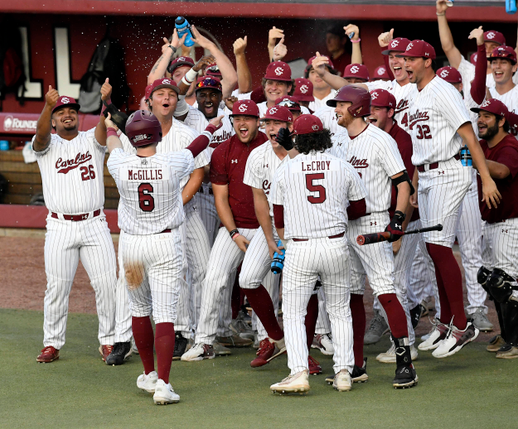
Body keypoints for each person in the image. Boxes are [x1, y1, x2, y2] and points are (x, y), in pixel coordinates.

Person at [106, 109, 222, 405]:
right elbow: (197, 146)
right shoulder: (172, 161)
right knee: (166, 316)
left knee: (139, 310)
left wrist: (110, 127)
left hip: (132, 245)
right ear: (158, 134)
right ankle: (164, 384)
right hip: (165, 243)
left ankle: (149, 373)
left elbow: (113, 144)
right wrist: (210, 126)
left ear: (132, 138)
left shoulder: (119, 163)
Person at [400, 39, 500, 358]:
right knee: (433, 249)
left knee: (440, 248)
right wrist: (415, 182)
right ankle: (445, 321)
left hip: (449, 170)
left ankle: (461, 325)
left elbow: (469, 135)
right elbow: (421, 146)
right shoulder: (418, 94)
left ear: (427, 60)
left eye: (411, 59)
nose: (405, 64)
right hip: (428, 173)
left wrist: (484, 178)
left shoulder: (442, 88)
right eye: (403, 58)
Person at [269, 114, 367, 393]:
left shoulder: (286, 169)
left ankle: (299, 372)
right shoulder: (341, 165)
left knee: (294, 312)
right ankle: (344, 372)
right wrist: (332, 212)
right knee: (339, 311)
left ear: (297, 139)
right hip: (335, 243)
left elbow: (278, 218)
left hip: (301, 246)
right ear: (324, 137)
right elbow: (359, 209)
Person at [327, 85, 418, 388]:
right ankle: (355, 363)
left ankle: (405, 361)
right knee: (352, 293)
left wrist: (397, 221)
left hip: (375, 221)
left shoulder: (381, 140)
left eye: (340, 105)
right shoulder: (338, 139)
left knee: (385, 291)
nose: (336, 110)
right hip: (345, 225)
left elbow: (404, 185)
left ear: (354, 107)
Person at [33, 84, 119, 364]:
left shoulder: (89, 140)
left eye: (72, 111)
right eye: (61, 112)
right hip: (59, 226)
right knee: (57, 287)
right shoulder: (47, 146)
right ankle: (52, 344)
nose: (67, 115)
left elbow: (103, 129)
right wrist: (48, 106)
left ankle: (108, 341)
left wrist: (106, 101)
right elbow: (41, 135)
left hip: (95, 223)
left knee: (107, 284)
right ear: (54, 119)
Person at [181, 100, 267, 361]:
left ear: (257, 121)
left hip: (266, 229)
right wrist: (233, 233)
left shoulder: (270, 147)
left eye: (248, 118)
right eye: (237, 118)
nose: (242, 123)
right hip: (234, 226)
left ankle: (266, 339)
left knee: (267, 283)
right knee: (213, 277)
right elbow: (220, 198)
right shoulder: (221, 152)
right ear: (232, 122)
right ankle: (205, 341)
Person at [471, 99, 518, 359]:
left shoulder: (510, 144)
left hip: (510, 223)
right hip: (491, 223)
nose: (481, 120)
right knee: (492, 283)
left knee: (507, 284)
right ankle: (508, 332)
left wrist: (474, 158)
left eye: (488, 116)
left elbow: (501, 171)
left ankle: (516, 339)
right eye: (480, 115)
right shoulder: (481, 147)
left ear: (501, 121)